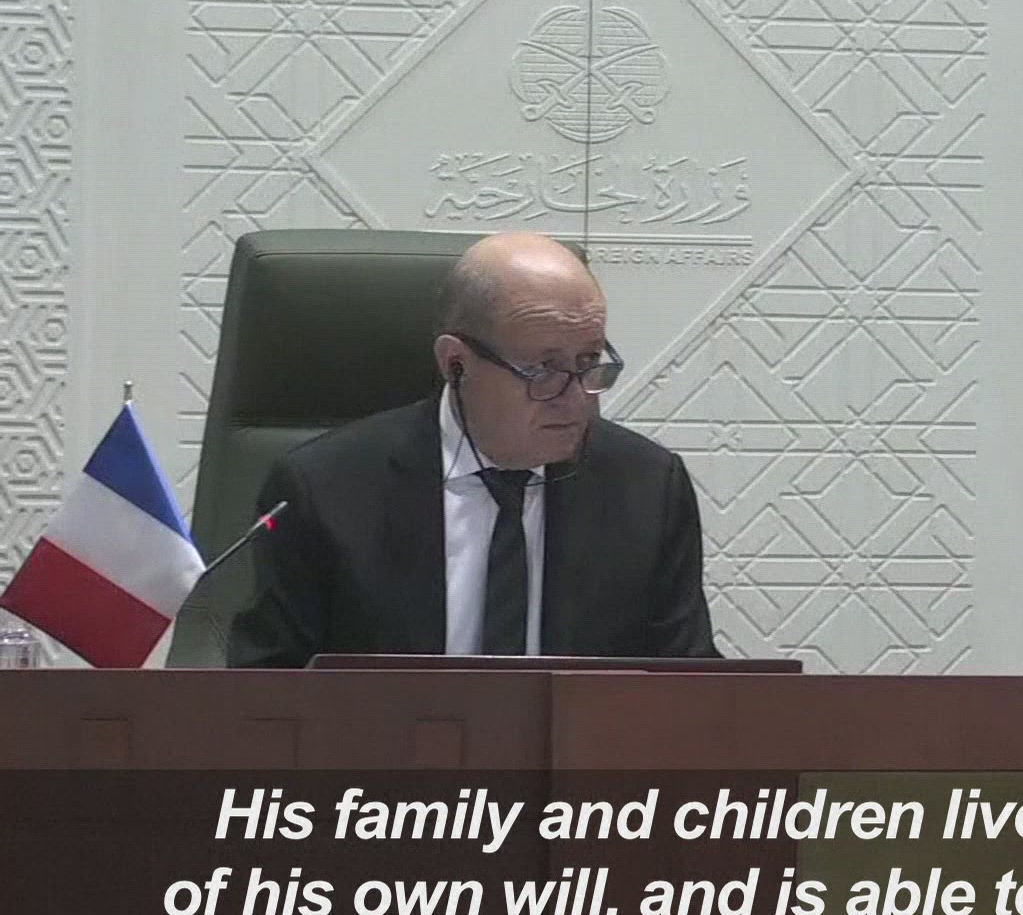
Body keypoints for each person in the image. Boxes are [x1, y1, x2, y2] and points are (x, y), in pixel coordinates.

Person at [228, 232, 718, 667]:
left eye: (589, 361)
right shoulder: (324, 491)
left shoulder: (648, 488)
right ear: (455, 363)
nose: (576, 400)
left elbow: (690, 691)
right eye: (543, 369)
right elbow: (267, 691)